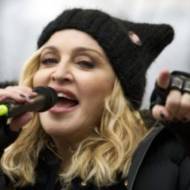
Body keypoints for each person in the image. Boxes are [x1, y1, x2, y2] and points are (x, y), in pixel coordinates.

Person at [0, 8, 190, 190]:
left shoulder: (166, 164)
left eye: (84, 63)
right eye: (49, 60)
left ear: (117, 92)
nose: (59, 74)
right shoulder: (9, 164)